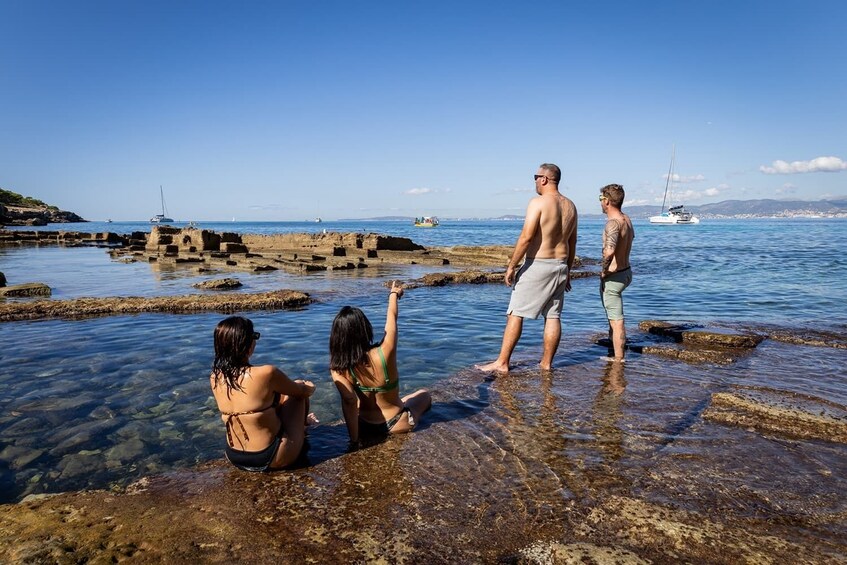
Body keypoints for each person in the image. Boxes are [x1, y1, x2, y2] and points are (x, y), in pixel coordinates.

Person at [476, 163, 578, 373]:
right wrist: (568, 271)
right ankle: (546, 363)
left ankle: (502, 363)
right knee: (553, 315)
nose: (534, 181)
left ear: (544, 179)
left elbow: (526, 237)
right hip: (560, 265)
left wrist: (512, 266)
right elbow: (572, 242)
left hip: (538, 265)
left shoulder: (538, 202)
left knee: (515, 312)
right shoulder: (571, 206)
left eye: (535, 176)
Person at [329, 281, 431, 448]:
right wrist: (394, 294)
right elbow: (392, 317)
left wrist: (354, 441)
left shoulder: (338, 367)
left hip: (364, 424)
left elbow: (349, 401)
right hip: (397, 423)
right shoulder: (385, 351)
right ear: (365, 329)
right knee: (424, 394)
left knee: (405, 399)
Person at [210, 316, 316, 471]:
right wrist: (310, 386)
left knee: (273, 399)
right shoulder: (266, 373)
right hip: (270, 456)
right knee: (298, 388)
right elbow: (301, 392)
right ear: (247, 343)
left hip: (234, 456)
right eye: (255, 336)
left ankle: (302, 424)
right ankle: (303, 428)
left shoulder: (215, 377)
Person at [599, 183, 634, 361]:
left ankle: (618, 359)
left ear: (607, 201)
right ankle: (614, 345)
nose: (600, 203)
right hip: (626, 272)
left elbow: (610, 251)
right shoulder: (626, 219)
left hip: (614, 276)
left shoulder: (612, 224)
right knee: (613, 315)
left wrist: (604, 270)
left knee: (616, 320)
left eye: (600, 199)